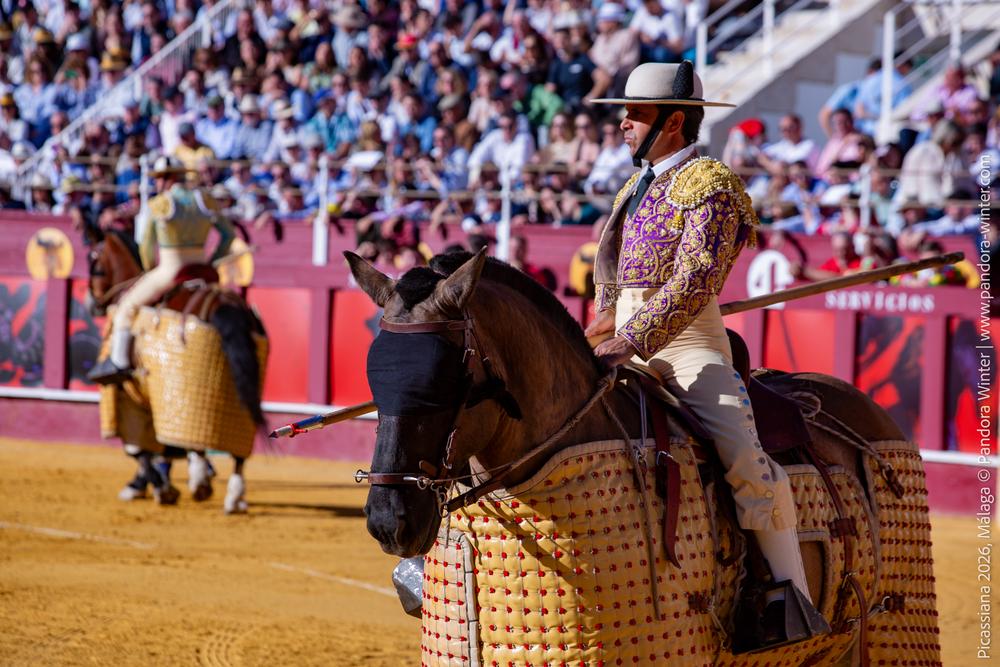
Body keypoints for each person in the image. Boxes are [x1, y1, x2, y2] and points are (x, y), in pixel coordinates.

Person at [583, 61, 828, 650]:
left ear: (672, 122)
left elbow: (694, 281)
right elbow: (612, 284)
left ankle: (789, 598)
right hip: (625, 340)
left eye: (635, 113)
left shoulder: (710, 183)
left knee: (744, 456)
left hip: (689, 346)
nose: (622, 123)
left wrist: (630, 341)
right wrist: (589, 336)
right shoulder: (631, 189)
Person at [88, 157, 235, 384]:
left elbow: (147, 246)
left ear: (168, 179)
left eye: (159, 179)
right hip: (202, 270)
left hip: (170, 270)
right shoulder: (205, 199)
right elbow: (228, 236)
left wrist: (148, 270)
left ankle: (119, 362)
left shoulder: (161, 204)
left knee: (127, 306)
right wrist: (212, 261)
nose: (157, 184)